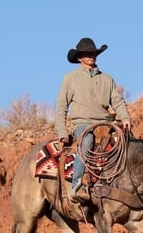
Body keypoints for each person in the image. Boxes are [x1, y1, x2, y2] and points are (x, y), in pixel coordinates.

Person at [56, 37, 132, 203]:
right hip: (82, 123)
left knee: (127, 142)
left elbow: (117, 101)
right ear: (79, 57)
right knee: (87, 139)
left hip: (105, 124)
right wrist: (62, 131)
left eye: (93, 53)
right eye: (86, 53)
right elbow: (62, 105)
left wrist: (125, 118)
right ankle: (77, 186)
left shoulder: (107, 79)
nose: (91, 55)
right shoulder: (70, 78)